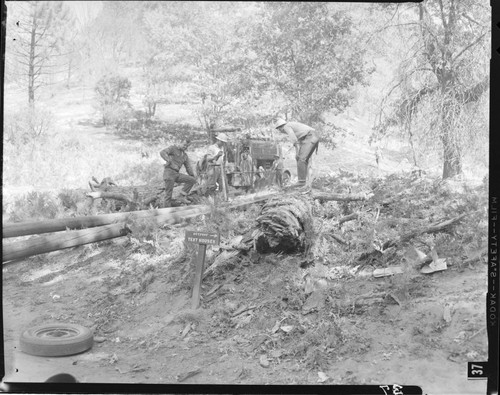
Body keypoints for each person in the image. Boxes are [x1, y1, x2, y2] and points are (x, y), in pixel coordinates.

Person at [275, 119, 319, 188]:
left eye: (279, 130)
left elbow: (294, 139)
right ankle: (305, 182)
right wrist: (297, 153)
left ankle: (301, 182)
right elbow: (298, 142)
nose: (280, 131)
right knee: (302, 159)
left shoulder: (286, 126)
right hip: (313, 136)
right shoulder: (296, 129)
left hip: (311, 136)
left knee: (301, 159)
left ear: (280, 127)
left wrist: (298, 152)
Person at [160, 139, 196, 207]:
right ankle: (166, 211)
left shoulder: (185, 156)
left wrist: (192, 176)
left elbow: (188, 167)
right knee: (168, 194)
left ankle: (181, 196)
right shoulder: (173, 148)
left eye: (187, 146)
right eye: (184, 145)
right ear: (180, 142)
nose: (185, 147)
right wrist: (168, 160)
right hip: (169, 172)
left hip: (176, 174)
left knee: (192, 180)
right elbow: (162, 152)